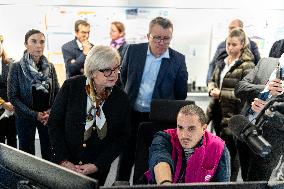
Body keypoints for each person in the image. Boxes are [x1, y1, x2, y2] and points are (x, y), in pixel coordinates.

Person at [117, 16, 188, 182]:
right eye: (157, 37)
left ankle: (142, 184)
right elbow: (123, 79)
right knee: (126, 154)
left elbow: (180, 94)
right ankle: (120, 184)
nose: (161, 43)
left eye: (166, 39)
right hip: (132, 114)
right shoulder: (133, 51)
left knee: (148, 157)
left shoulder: (178, 60)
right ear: (148, 35)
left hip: (156, 119)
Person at [48, 45, 131, 186]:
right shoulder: (71, 87)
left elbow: (122, 137)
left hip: (96, 169)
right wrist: (63, 160)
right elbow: (54, 123)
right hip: (63, 164)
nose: (114, 74)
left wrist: (97, 165)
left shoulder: (121, 98)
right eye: (107, 70)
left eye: (117, 68)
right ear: (92, 72)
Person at [206, 28, 255, 181]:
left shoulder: (248, 66)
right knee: (218, 153)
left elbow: (245, 94)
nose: (230, 47)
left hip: (234, 117)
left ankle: (229, 183)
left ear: (242, 45)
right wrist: (211, 89)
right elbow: (212, 80)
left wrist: (220, 93)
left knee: (231, 158)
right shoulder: (221, 62)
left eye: (234, 44)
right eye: (228, 44)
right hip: (217, 113)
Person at [7, 29, 60, 160]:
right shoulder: (16, 67)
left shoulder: (50, 67)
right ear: (26, 44)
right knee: (27, 155)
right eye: (34, 41)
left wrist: (50, 111)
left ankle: (49, 180)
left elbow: (57, 93)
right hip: (25, 117)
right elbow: (12, 97)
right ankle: (27, 181)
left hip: (47, 116)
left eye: (42, 42)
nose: (39, 45)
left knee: (50, 153)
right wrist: (34, 114)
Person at [146, 104, 230, 184]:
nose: (184, 135)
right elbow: (160, 158)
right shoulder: (163, 138)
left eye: (191, 129)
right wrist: (165, 184)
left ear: (203, 128)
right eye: (180, 127)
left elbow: (222, 184)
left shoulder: (218, 147)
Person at [235, 53, 284, 181]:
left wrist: (266, 108)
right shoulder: (265, 63)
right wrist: (265, 89)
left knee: (257, 182)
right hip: (245, 132)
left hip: (270, 143)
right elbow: (240, 88)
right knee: (245, 179)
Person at [206, 19, 260, 84]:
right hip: (221, 83)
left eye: (232, 28)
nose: (230, 47)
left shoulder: (252, 45)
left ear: (241, 28)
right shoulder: (222, 45)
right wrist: (209, 83)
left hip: (239, 83)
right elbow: (213, 64)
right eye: (229, 28)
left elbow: (258, 65)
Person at [0, 35, 16, 148]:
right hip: (1, 108)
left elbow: (17, 85)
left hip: (12, 110)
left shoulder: (11, 64)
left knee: (12, 141)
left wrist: (13, 103)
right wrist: (3, 103)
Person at [109, 21, 129, 87]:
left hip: (120, 82)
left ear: (121, 33)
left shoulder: (126, 47)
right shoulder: (111, 45)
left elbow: (123, 66)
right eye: (110, 30)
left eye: (113, 31)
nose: (110, 32)